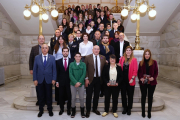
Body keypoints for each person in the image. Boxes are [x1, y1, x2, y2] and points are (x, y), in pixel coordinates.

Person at [33, 44, 56, 117]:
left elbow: (54, 69)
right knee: (40, 96)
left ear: (48, 49)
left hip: (49, 80)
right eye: (43, 48)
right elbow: (35, 69)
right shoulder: (37, 57)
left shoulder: (52, 57)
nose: (44, 49)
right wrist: (35, 79)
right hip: (39, 80)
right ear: (41, 49)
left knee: (49, 96)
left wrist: (54, 78)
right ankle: (41, 110)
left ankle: (50, 109)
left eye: (46, 48)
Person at [29, 35, 52, 106]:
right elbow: (31, 59)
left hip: (46, 71)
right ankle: (39, 100)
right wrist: (31, 69)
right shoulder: (34, 48)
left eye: (43, 39)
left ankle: (45, 100)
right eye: (40, 39)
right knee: (38, 87)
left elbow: (51, 59)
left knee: (46, 87)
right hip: (37, 71)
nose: (41, 40)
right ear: (38, 39)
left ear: (44, 39)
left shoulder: (49, 48)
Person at [84, 45, 106, 118]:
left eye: (98, 49)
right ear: (92, 50)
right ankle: (88, 110)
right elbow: (85, 69)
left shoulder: (103, 57)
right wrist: (86, 78)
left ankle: (94, 109)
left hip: (99, 79)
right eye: (95, 49)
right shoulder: (87, 57)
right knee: (89, 95)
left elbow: (105, 68)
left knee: (96, 95)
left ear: (99, 50)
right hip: (90, 79)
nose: (96, 50)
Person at [138, 49, 158, 119]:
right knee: (143, 97)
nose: (147, 55)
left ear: (150, 55)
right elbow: (139, 72)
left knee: (150, 97)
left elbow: (156, 72)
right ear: (144, 55)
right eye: (146, 54)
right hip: (143, 83)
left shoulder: (154, 62)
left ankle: (149, 112)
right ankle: (143, 111)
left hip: (152, 83)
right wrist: (141, 78)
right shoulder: (141, 63)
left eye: (148, 54)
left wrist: (153, 78)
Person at [119, 46, 138, 116]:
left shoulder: (134, 59)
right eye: (127, 50)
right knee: (123, 95)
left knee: (130, 95)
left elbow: (135, 71)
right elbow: (119, 68)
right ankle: (124, 108)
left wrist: (132, 78)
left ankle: (129, 108)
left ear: (131, 51)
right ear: (125, 51)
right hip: (123, 80)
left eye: (129, 50)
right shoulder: (122, 58)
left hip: (130, 80)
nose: (128, 51)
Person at [56, 47, 73, 116]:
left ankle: (69, 109)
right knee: (61, 96)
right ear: (62, 52)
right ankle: (61, 109)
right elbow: (57, 72)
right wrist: (57, 81)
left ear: (68, 53)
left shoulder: (72, 61)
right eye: (64, 51)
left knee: (69, 96)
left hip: (69, 82)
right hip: (61, 81)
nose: (65, 52)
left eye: (66, 51)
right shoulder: (58, 61)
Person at [69, 52, 86, 118]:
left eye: (79, 56)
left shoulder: (83, 64)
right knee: (73, 98)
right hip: (73, 84)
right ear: (74, 57)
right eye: (76, 56)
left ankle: (82, 112)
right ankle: (73, 111)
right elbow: (70, 74)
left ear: (81, 57)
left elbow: (84, 74)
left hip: (81, 84)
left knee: (81, 98)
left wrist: (79, 82)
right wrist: (75, 82)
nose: (78, 58)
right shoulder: (71, 64)